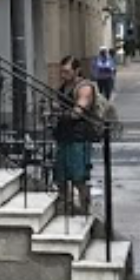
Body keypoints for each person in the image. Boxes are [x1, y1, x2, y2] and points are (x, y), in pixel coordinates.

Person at [54, 78, 102, 217]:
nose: (64, 74)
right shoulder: (63, 87)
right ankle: (68, 208)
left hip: (78, 138)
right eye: (62, 72)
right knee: (61, 177)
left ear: (76, 70)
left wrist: (62, 114)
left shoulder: (84, 87)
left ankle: (85, 211)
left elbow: (77, 113)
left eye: (67, 71)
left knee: (79, 178)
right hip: (64, 136)